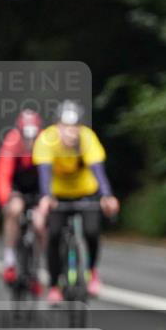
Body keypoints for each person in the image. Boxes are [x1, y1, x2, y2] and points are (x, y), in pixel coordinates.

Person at [33, 100, 119, 303]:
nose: (70, 132)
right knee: (53, 235)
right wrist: (46, 197)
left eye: (74, 127)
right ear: (57, 126)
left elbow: (98, 170)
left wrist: (107, 196)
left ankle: (92, 272)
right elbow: (44, 174)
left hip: (85, 192)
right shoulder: (47, 139)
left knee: (91, 231)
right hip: (57, 195)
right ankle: (54, 285)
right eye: (65, 127)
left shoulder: (88, 139)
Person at [0, 109, 46, 291]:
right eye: (26, 135)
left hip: (39, 190)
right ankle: (9, 260)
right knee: (14, 210)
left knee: (41, 223)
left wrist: (47, 200)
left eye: (33, 135)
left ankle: (37, 267)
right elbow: (2, 176)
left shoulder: (45, 142)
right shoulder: (12, 142)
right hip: (17, 190)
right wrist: (6, 201)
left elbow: (51, 175)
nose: (30, 141)